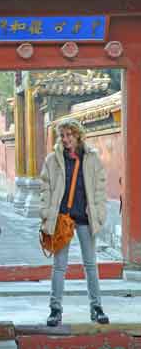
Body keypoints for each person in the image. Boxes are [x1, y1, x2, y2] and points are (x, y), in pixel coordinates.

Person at [39, 118, 109, 326]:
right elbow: (45, 187)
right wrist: (46, 211)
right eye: (62, 135)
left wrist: (97, 210)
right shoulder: (53, 160)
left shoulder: (92, 158)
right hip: (63, 218)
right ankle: (55, 309)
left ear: (78, 135)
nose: (66, 139)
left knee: (90, 264)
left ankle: (96, 308)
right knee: (59, 266)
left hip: (85, 217)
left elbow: (100, 187)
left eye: (69, 135)